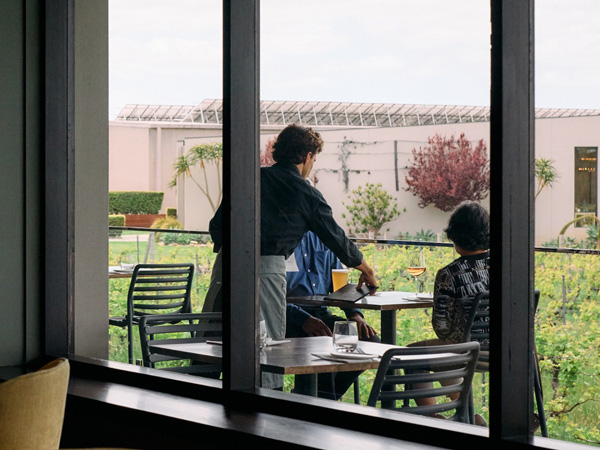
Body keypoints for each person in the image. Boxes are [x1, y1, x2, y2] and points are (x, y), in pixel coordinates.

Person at [204, 124, 378, 390]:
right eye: (314, 159)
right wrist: (366, 270)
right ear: (307, 156)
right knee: (264, 353)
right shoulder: (305, 193)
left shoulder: (248, 178)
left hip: (224, 267)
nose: (312, 165)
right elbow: (337, 238)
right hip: (266, 271)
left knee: (213, 345)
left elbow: (216, 227)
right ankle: (265, 414)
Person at [408, 201, 490, 424]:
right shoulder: (507, 266)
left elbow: (441, 328)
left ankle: (434, 421)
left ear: (455, 235)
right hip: (506, 351)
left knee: (410, 355)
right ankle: (466, 417)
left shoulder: (449, 274)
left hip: (467, 352)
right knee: (450, 348)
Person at [286, 231, 380, 400]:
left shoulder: (322, 238)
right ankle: (320, 404)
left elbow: (341, 287)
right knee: (323, 345)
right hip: (288, 317)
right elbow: (270, 295)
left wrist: (355, 314)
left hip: (321, 315)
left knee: (369, 341)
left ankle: (314, 399)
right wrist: (303, 319)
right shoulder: (281, 239)